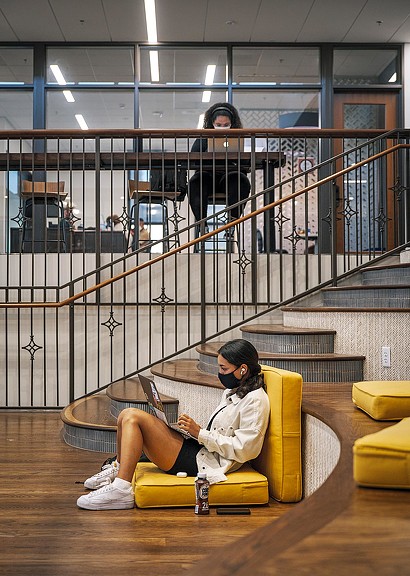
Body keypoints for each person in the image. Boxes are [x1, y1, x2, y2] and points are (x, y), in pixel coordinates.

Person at [76, 339, 270, 510]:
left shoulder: (255, 400)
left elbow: (247, 449)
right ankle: (119, 469)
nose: (220, 373)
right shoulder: (234, 391)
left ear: (243, 369)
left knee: (133, 417)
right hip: (202, 450)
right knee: (125, 415)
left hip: (207, 464)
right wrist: (193, 432)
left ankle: (121, 489)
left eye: (224, 369)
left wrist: (200, 433)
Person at [188, 102, 251, 234]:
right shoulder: (203, 137)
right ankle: (202, 224)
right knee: (196, 181)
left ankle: (232, 223)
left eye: (226, 125)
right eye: (218, 125)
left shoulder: (238, 137)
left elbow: (246, 162)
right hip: (207, 178)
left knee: (241, 180)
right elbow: (193, 158)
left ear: (232, 124)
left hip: (230, 178)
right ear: (212, 123)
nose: (222, 128)